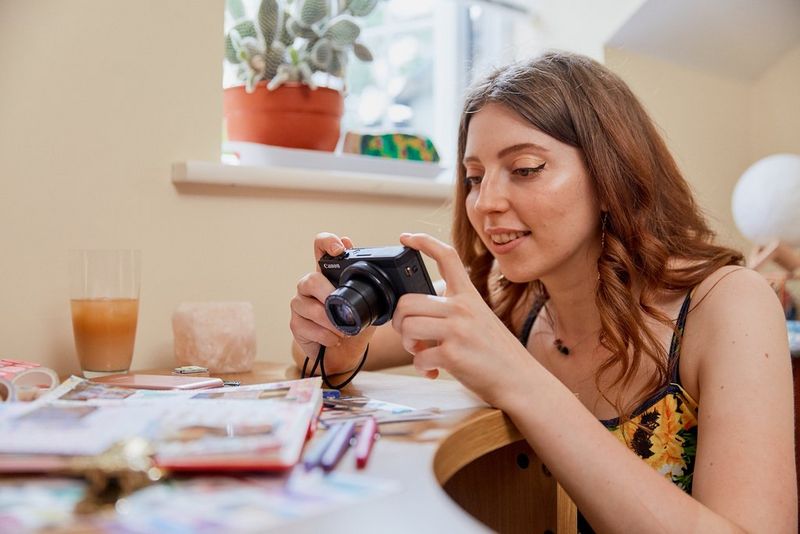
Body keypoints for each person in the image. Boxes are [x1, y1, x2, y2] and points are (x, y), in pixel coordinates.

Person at [289, 51, 796, 533]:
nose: (486, 202)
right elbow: (327, 358)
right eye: (474, 177)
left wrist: (517, 378)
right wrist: (337, 335)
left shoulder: (728, 305)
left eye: (526, 169)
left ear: (611, 171)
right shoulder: (502, 296)